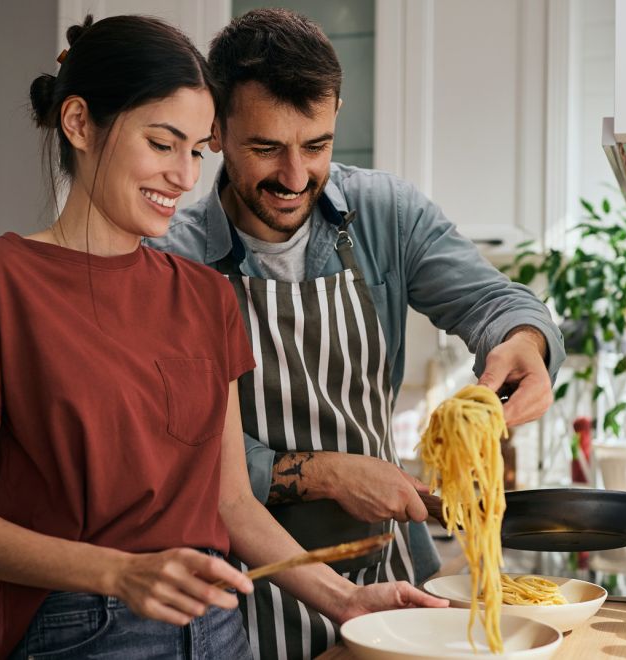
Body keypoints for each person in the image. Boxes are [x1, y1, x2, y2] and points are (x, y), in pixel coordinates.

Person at [0, 15, 444, 660]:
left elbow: (233, 505)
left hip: (218, 631)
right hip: (84, 633)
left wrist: (345, 601)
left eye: (196, 150)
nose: (186, 178)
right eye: (162, 144)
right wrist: (118, 573)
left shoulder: (204, 295)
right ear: (78, 124)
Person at [147, 8, 564, 659]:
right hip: (243, 592)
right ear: (217, 131)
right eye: (265, 148)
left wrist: (525, 342)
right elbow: (178, 456)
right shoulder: (172, 259)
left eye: (316, 145)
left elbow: (495, 301)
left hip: (385, 572)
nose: (294, 176)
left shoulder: (384, 213)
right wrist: (324, 473)